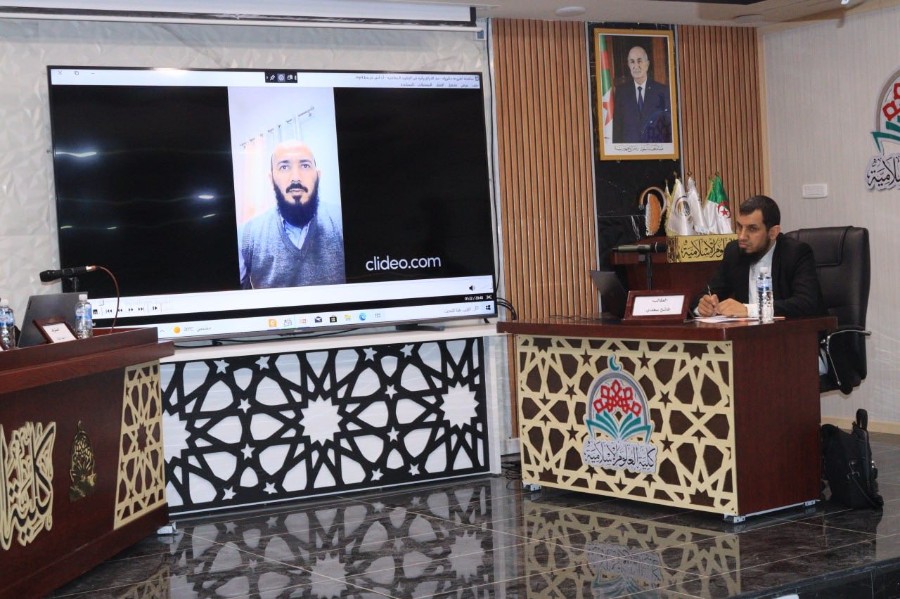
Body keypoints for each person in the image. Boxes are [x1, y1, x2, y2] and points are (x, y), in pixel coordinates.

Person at [694, 195, 826, 319]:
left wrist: (749, 310)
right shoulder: (734, 252)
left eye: (752, 229)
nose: (742, 236)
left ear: (773, 232)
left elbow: (807, 303)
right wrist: (703, 306)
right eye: (739, 227)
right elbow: (707, 293)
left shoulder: (795, 253)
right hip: (747, 332)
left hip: (790, 332)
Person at [239, 140, 345, 289]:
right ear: (271, 179)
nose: (296, 177)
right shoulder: (247, 235)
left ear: (318, 175)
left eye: (305, 165)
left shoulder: (341, 222)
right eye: (284, 167)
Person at [612, 45, 672, 144]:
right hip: (629, 151)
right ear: (628, 65)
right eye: (632, 62)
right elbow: (617, 129)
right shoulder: (621, 93)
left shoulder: (662, 91)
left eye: (639, 61)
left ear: (647, 64)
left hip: (655, 150)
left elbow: (668, 128)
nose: (636, 66)